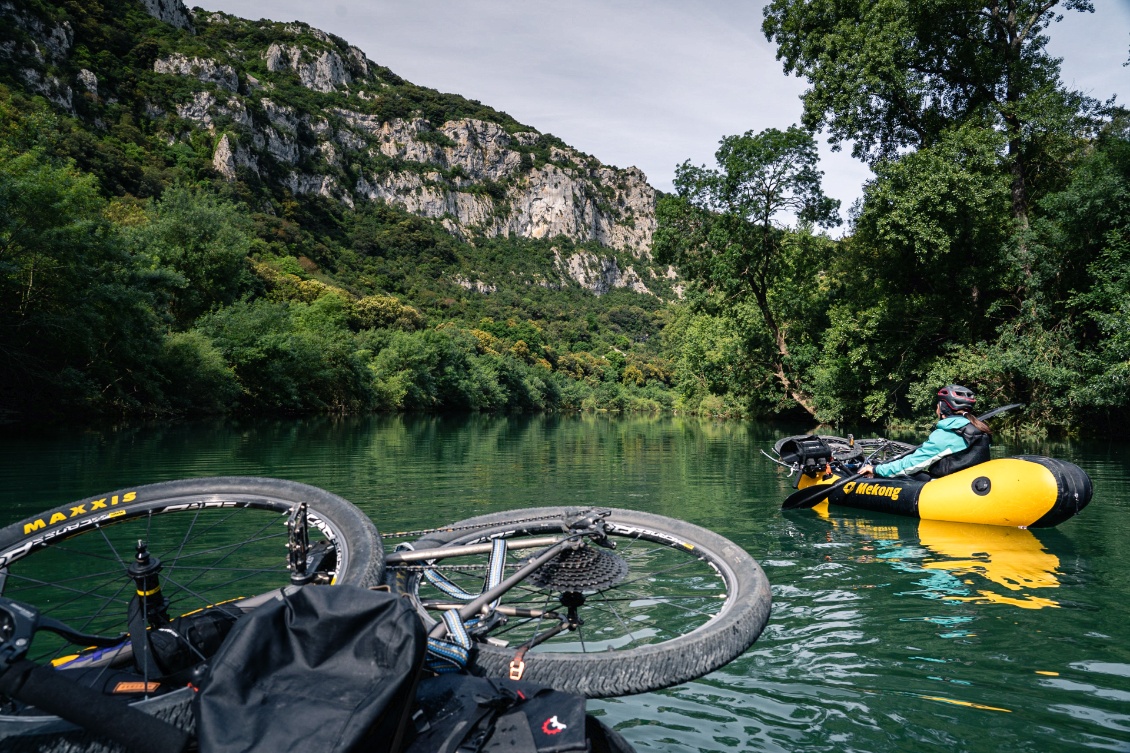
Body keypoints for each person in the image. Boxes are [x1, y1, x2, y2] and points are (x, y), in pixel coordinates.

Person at [859, 385, 992, 480]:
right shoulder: (979, 429)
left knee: (909, 474)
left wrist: (877, 469)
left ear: (942, 408)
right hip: (970, 483)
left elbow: (913, 463)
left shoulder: (948, 433)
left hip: (948, 489)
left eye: (937, 405)